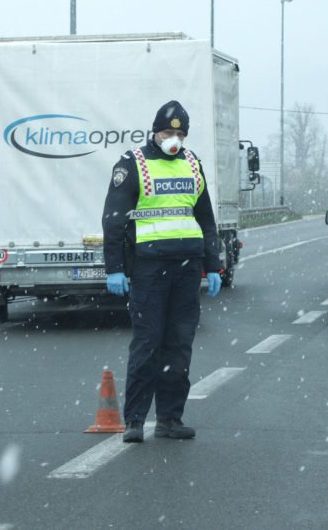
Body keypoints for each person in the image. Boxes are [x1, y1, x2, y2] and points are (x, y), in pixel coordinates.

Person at [102, 100, 222, 443]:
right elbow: (113, 219)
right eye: (169, 132)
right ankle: (135, 421)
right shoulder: (133, 163)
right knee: (147, 343)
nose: (174, 138)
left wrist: (213, 265)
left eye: (180, 133)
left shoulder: (192, 163)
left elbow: (205, 219)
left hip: (187, 268)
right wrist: (115, 269)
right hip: (150, 269)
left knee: (179, 345)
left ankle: (169, 419)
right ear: (155, 131)